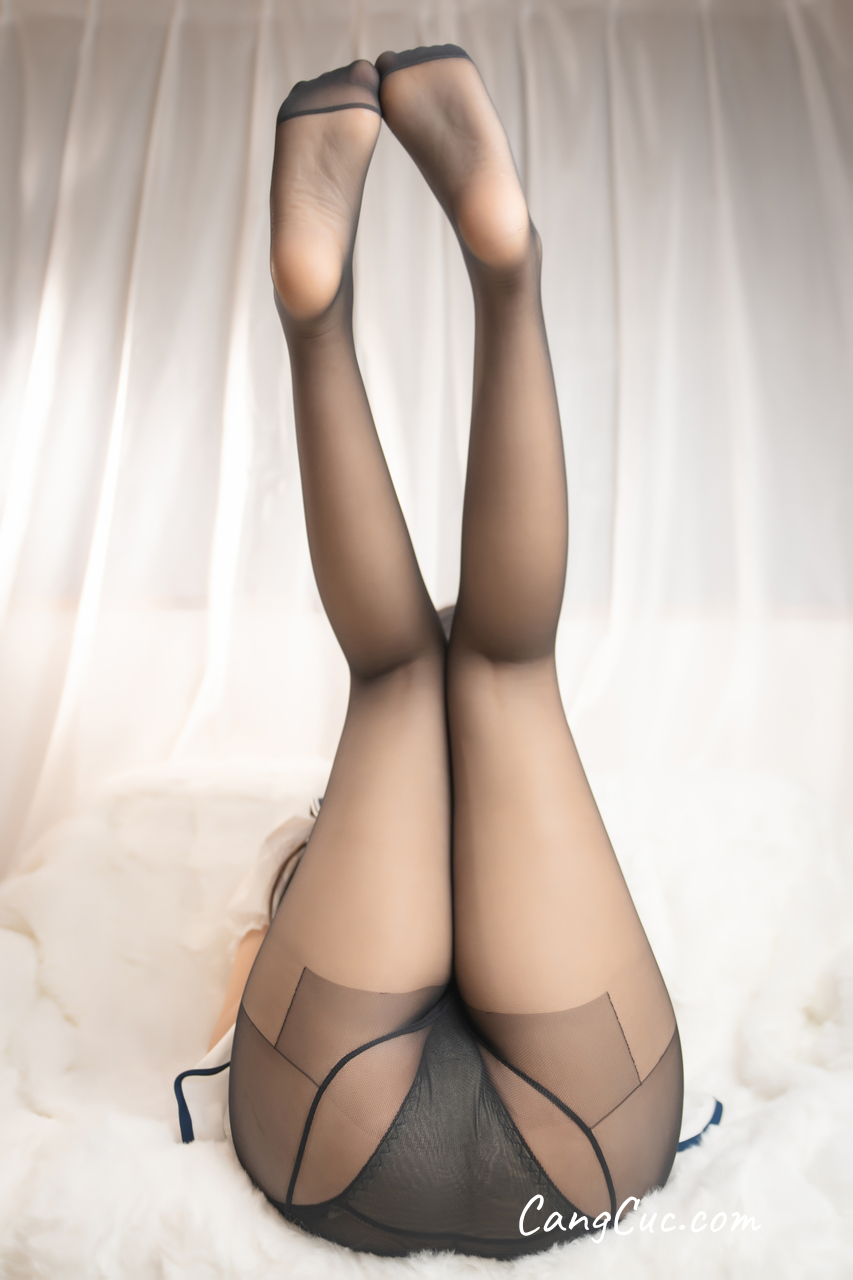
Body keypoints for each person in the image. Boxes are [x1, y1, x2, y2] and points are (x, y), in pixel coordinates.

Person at [215, 45, 683, 1258]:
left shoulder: (308, 863)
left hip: (331, 1119)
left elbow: (239, 988)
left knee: (427, 675)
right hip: (586, 1128)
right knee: (477, 674)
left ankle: (323, 319)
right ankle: (498, 274)